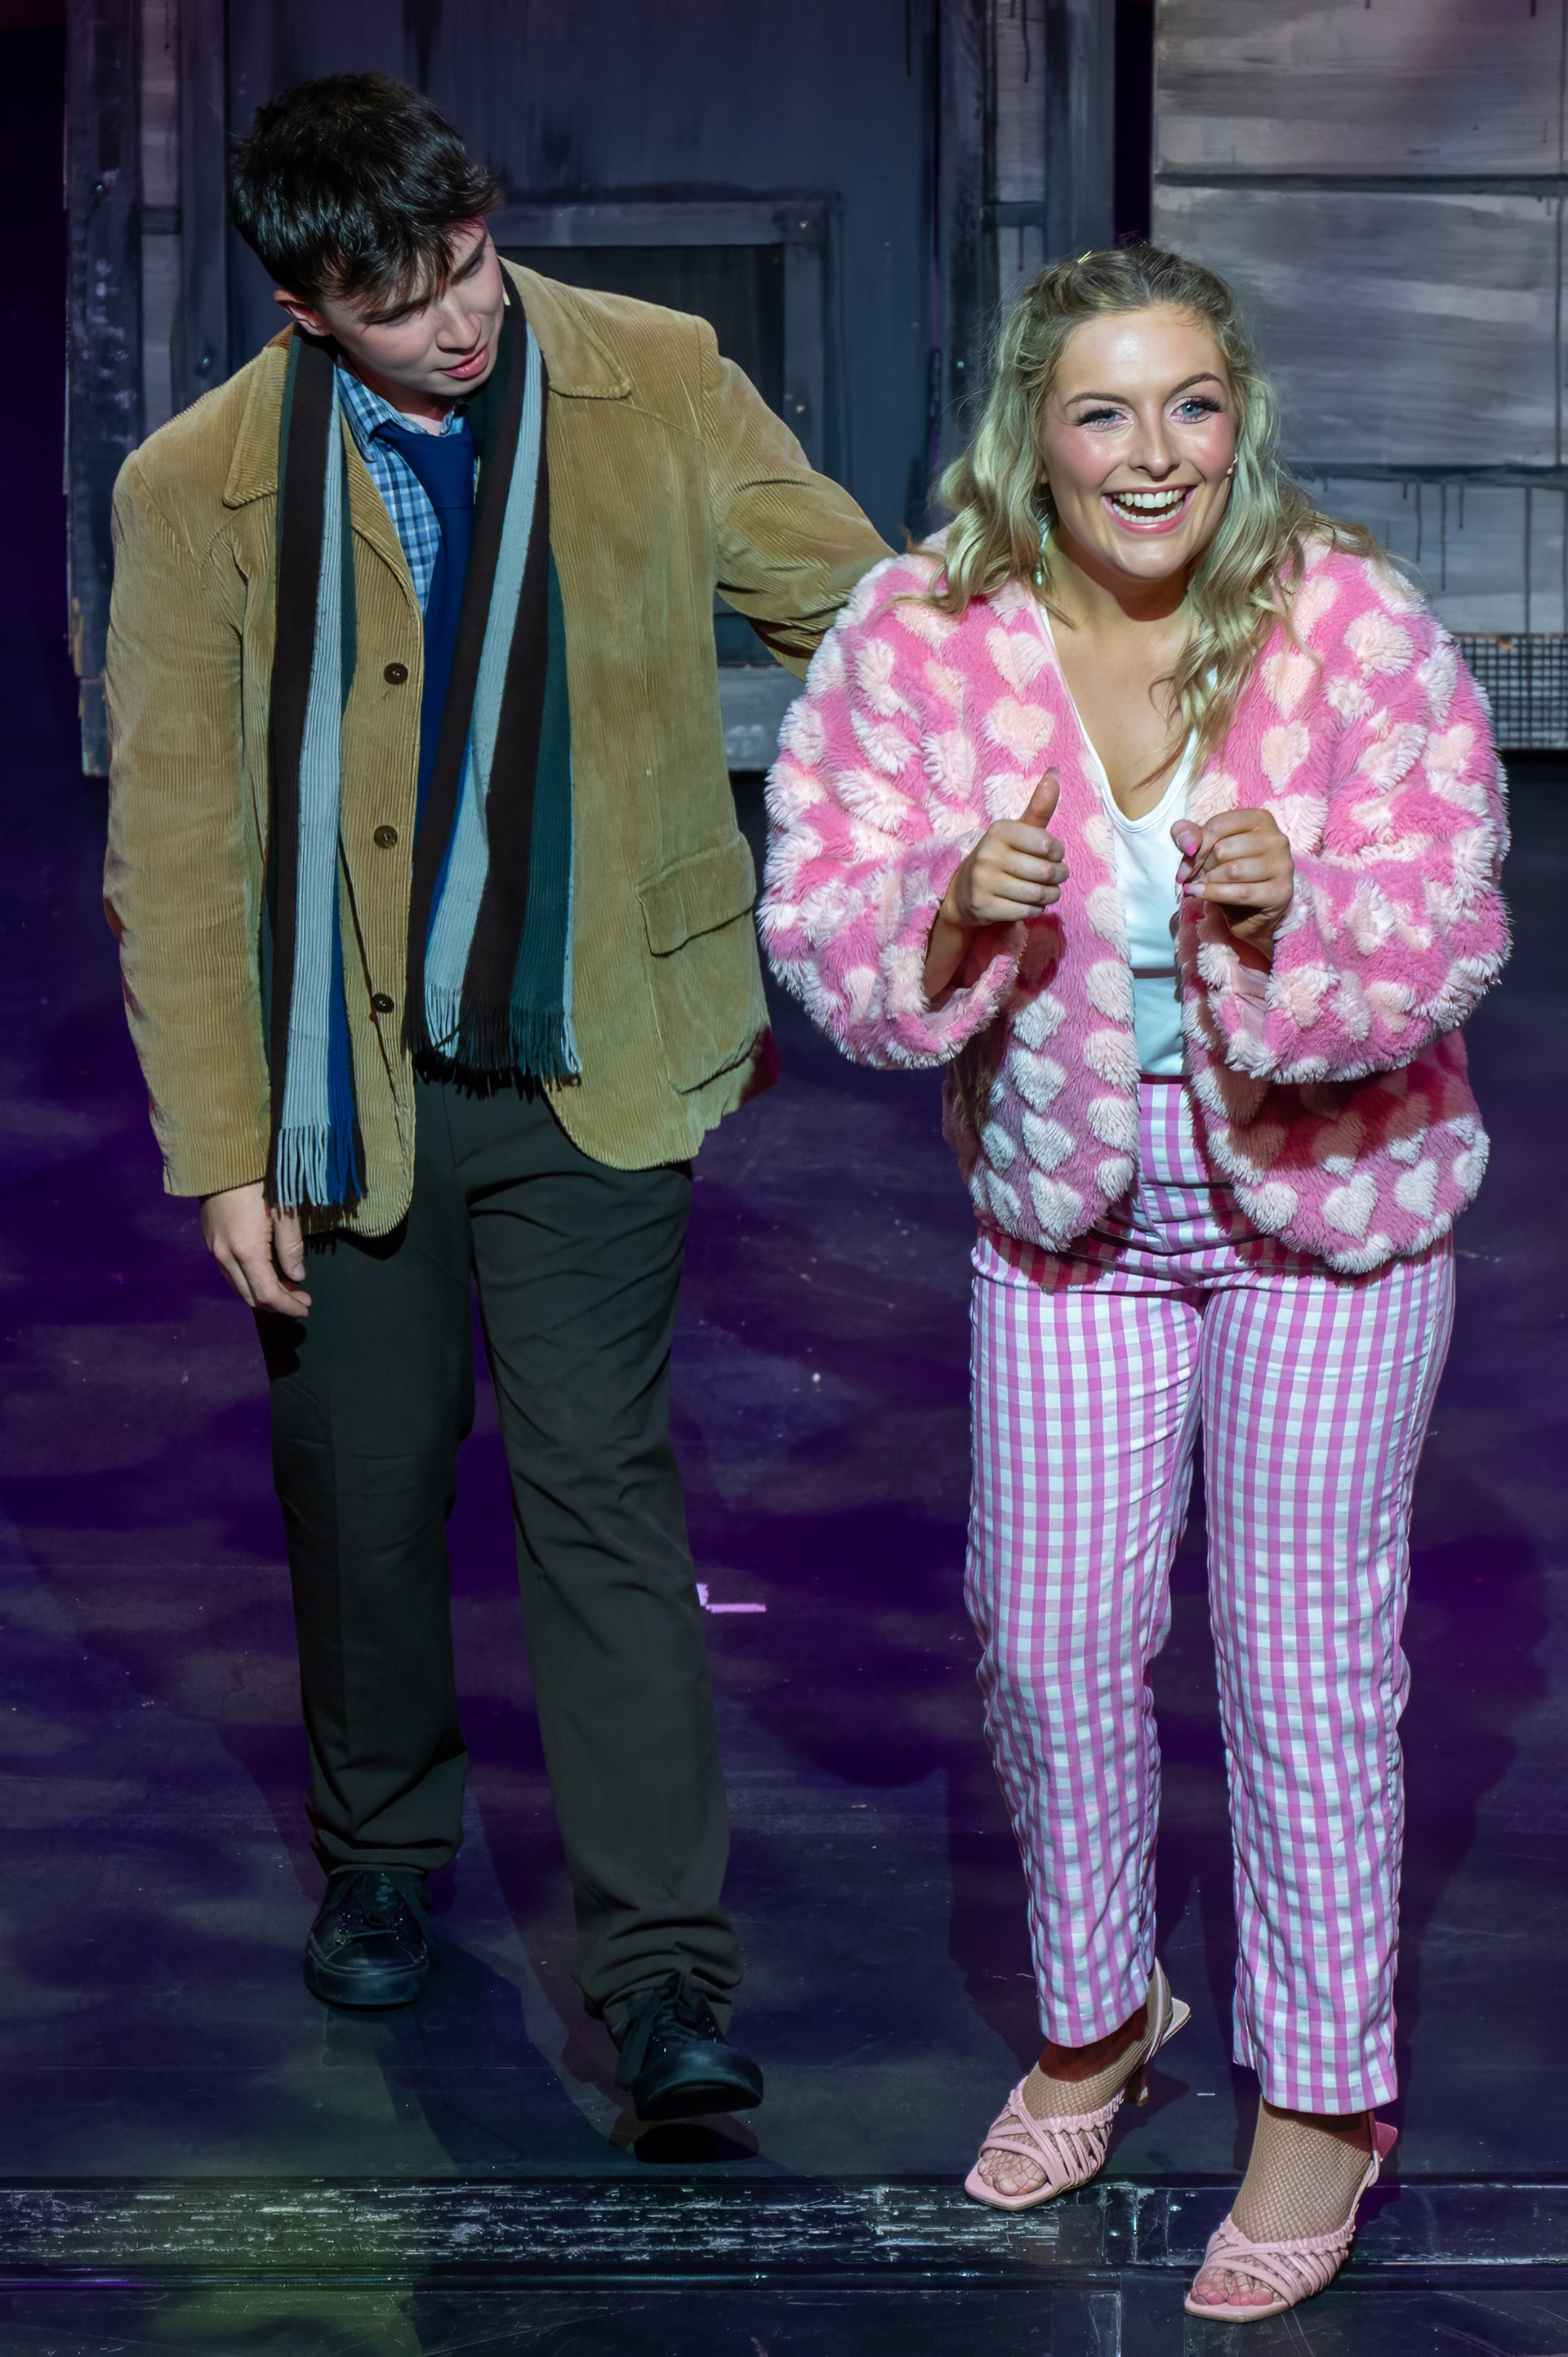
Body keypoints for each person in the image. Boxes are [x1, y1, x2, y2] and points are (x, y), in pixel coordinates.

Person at [104, 72, 888, 2123]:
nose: (458, 321)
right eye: (398, 303)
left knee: (600, 1488)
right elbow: (173, 838)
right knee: (363, 1492)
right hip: (334, 1077)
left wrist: (1083, 710)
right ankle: (381, 1849)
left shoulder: (656, 375)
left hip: (597, 1036)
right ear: (305, 310)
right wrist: (219, 1148)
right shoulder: (193, 487)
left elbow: (870, 621)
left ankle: (662, 1974)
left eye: (466, 264)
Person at [760, 243, 1507, 2319]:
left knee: (1300, 1667)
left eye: (1190, 403)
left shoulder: (1347, 618)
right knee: (1050, 1641)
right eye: (1104, 410)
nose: (1154, 452)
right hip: (1068, 1223)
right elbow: (822, 909)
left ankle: (1324, 2098)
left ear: (1237, 415)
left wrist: (1304, 897)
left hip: (1328, 1212)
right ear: (1037, 432)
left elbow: (1454, 909)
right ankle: (1103, 2015)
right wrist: (949, 901)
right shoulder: (925, 631)